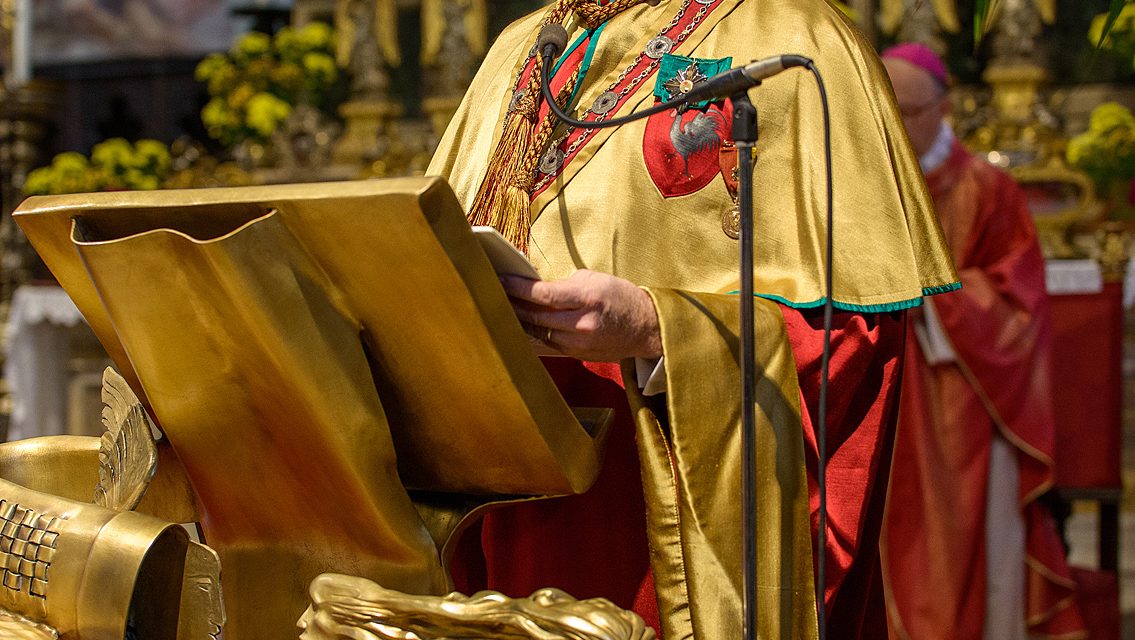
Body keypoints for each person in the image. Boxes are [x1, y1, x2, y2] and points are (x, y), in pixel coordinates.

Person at [428, 2, 958, 638]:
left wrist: (657, 329)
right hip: (499, 501)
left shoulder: (799, 34)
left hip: (648, 517)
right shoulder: (524, 48)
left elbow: (854, 335)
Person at [878, 43, 1086, 640]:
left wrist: (931, 294)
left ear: (942, 108)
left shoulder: (988, 188)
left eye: (906, 110)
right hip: (880, 385)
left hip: (963, 395)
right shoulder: (862, 186)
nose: (893, 123)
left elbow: (1019, 299)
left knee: (966, 540)